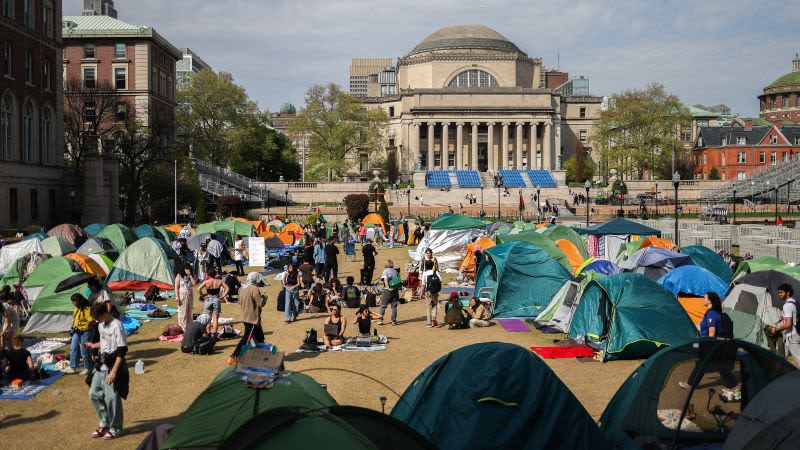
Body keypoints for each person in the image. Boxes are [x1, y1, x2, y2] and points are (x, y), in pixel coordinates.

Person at [85, 302, 128, 440]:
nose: (97, 321)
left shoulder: (117, 325)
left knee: (112, 398)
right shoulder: (100, 325)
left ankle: (116, 428)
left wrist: (114, 372)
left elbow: (122, 351)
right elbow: (104, 342)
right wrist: (93, 345)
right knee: (94, 393)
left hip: (113, 366)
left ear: (104, 314)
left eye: (98, 318)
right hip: (101, 365)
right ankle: (105, 423)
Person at [229, 272, 268, 364]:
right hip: (252, 318)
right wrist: (264, 297)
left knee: (260, 337)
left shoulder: (241, 288)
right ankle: (233, 356)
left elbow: (239, 302)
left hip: (246, 316)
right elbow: (260, 303)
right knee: (246, 338)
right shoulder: (254, 288)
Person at [767, 284, 799, 364]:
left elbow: (788, 324)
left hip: (792, 336)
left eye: (781, 292)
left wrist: (776, 329)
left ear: (788, 293)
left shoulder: (787, 305)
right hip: (791, 335)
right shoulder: (794, 301)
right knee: (782, 358)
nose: (779, 294)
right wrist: (782, 320)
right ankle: (780, 373)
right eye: (779, 292)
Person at [63, 294, 94, 375]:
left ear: (80, 300)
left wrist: (84, 328)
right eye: (72, 301)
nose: (73, 303)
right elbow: (75, 319)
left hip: (85, 332)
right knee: (73, 348)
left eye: (75, 301)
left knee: (84, 351)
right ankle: (73, 367)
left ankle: (88, 368)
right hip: (77, 331)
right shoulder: (76, 308)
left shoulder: (87, 309)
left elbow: (92, 321)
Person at [196, 268, 228, 336]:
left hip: (208, 299)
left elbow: (198, 289)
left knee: (208, 318)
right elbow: (227, 288)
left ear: (208, 274)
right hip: (216, 299)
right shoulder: (220, 281)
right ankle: (215, 334)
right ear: (215, 274)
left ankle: (208, 333)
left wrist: (203, 296)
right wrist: (223, 296)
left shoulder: (206, 281)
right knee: (215, 318)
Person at [378, 260, 401, 326]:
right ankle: (394, 321)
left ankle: (380, 320)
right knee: (394, 307)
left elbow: (385, 279)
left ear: (386, 265)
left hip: (388, 290)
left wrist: (387, 288)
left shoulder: (386, 271)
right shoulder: (395, 271)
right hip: (395, 290)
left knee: (383, 306)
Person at [174, 266, 196, 332]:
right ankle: (183, 327)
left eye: (189, 270)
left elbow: (194, 283)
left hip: (190, 295)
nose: (188, 271)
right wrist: (177, 296)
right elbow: (176, 286)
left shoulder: (189, 276)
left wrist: (190, 276)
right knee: (183, 312)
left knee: (189, 311)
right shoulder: (179, 275)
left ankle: (189, 327)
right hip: (182, 295)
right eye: (187, 270)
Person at [421, 260, 441, 328]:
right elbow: (441, 280)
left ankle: (429, 323)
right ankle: (434, 319)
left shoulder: (425, 273)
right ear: (433, 266)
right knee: (434, 305)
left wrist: (422, 293)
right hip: (435, 291)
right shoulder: (436, 272)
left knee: (428, 307)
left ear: (426, 266)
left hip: (428, 291)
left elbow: (423, 285)